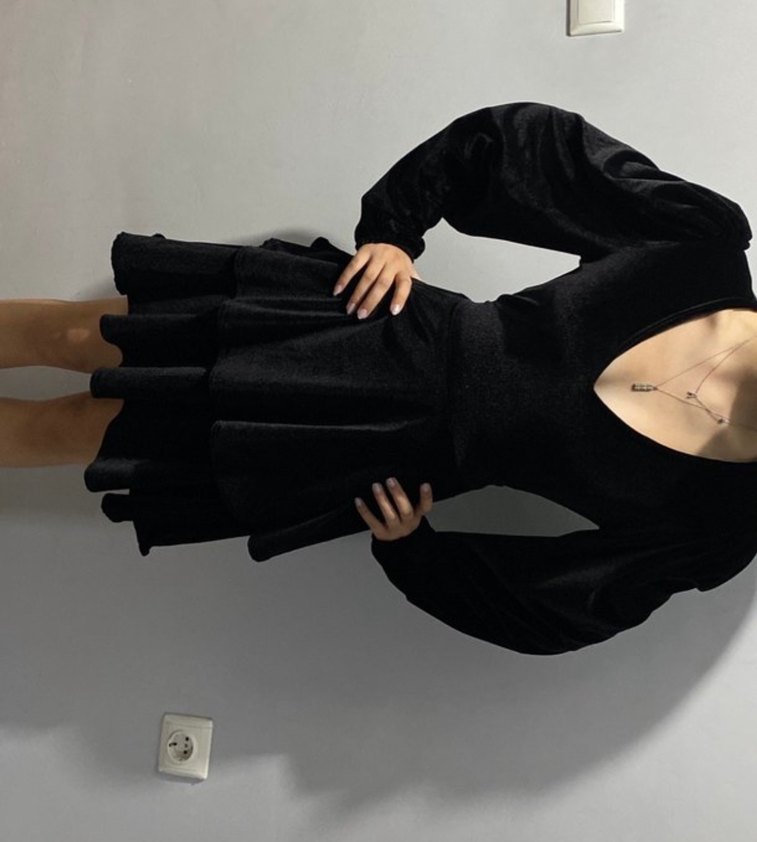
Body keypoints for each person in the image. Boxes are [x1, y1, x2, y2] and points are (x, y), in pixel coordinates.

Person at [4, 101, 757, 656]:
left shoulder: (723, 518)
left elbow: (569, 610)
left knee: (81, 432)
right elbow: (522, 144)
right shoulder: (703, 250)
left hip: (358, 451)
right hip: (369, 320)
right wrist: (395, 233)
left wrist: (416, 553)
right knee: (75, 337)